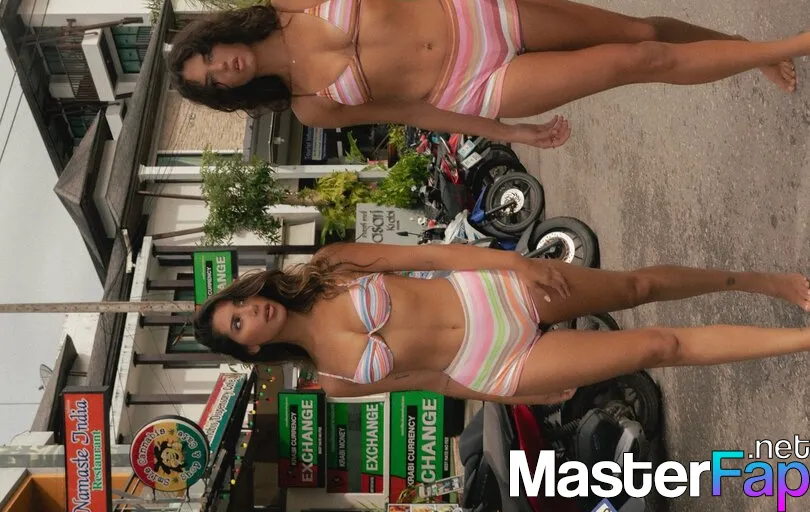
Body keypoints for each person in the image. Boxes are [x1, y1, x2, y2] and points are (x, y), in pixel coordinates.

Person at [166, 0, 803, 147]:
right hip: (474, 87)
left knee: (637, 31)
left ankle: (745, 50)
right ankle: (776, 49)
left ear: (217, 36)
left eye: (211, 56)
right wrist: (509, 133)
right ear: (229, 94)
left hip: (472, 14)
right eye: (214, 81)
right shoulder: (310, 107)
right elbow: (415, 114)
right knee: (635, 62)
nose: (223, 68)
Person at [192, 241, 810, 404]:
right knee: (657, 346)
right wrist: (521, 395)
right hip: (495, 366)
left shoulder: (330, 267)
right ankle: (803, 339)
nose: (252, 312)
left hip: (489, 294)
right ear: (254, 350)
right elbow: (435, 382)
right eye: (240, 326)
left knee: (635, 287)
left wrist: (517, 263)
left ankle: (767, 282)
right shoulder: (334, 381)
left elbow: (434, 257)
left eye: (240, 304)